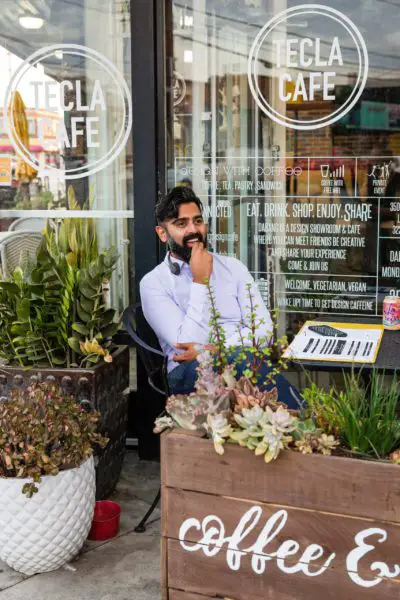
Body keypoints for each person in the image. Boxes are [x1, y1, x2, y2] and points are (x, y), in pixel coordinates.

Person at [140, 186, 300, 409]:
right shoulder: (153, 283)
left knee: (242, 362)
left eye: (197, 221)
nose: (193, 230)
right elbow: (184, 347)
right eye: (181, 224)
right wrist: (200, 282)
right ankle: (302, 414)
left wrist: (212, 350)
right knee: (243, 362)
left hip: (243, 365)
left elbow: (264, 333)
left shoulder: (233, 268)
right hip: (188, 375)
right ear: (162, 233)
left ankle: (297, 418)